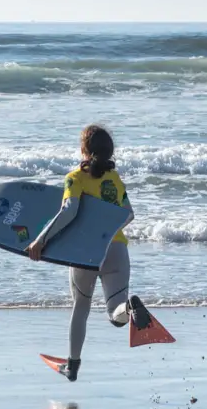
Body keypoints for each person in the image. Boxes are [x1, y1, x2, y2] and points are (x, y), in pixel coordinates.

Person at [25, 125, 150, 382]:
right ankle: (129, 307)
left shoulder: (75, 178)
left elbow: (69, 211)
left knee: (81, 306)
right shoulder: (115, 181)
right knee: (117, 315)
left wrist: (40, 240)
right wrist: (104, 230)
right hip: (116, 249)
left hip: (86, 252)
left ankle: (72, 366)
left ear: (84, 150)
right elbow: (128, 215)